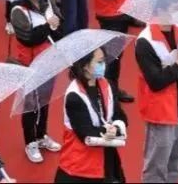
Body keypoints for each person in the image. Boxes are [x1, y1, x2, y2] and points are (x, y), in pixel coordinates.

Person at [135, 8, 178, 184]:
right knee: (156, 167)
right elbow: (156, 82)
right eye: (174, 8)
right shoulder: (145, 41)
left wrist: (173, 70)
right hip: (162, 113)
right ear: (161, 10)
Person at [53, 47, 127, 184]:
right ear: (85, 66)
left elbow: (121, 116)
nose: (103, 66)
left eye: (104, 61)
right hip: (80, 165)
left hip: (107, 159)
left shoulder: (108, 85)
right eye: (99, 62)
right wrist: (108, 131)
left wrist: (116, 128)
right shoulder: (74, 96)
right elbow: (86, 133)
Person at [10, 0, 63, 162]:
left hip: (47, 62)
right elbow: (29, 38)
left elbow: (59, 30)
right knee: (31, 106)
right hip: (30, 66)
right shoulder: (18, 11)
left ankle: (41, 135)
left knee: (44, 102)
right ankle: (30, 142)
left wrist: (55, 26)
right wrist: (49, 26)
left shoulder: (47, 4)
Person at [92, 0, 137, 103]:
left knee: (116, 56)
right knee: (111, 57)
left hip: (118, 12)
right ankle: (108, 92)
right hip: (111, 15)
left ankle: (112, 89)